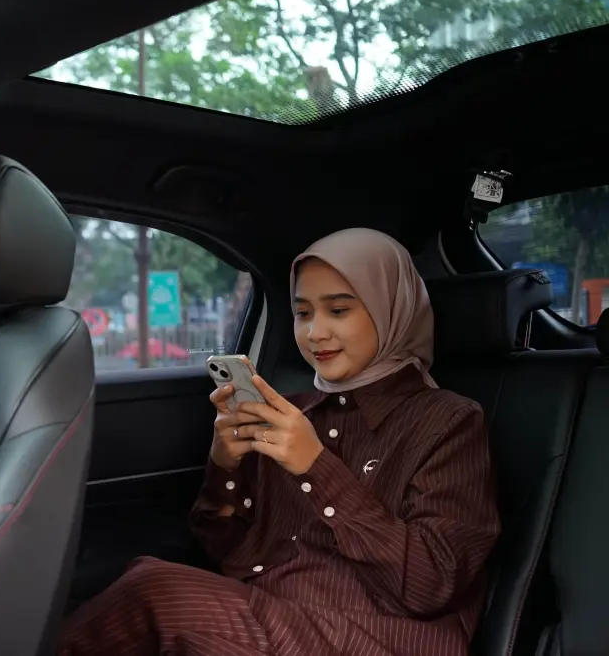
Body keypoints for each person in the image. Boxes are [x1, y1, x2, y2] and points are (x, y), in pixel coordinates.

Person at [58, 227, 500, 656]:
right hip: (270, 617)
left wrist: (316, 467)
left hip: (378, 636)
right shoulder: (294, 412)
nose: (315, 332)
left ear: (390, 309)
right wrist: (224, 466)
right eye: (303, 313)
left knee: (154, 589)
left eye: (338, 310)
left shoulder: (448, 421)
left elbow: (430, 585)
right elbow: (224, 551)